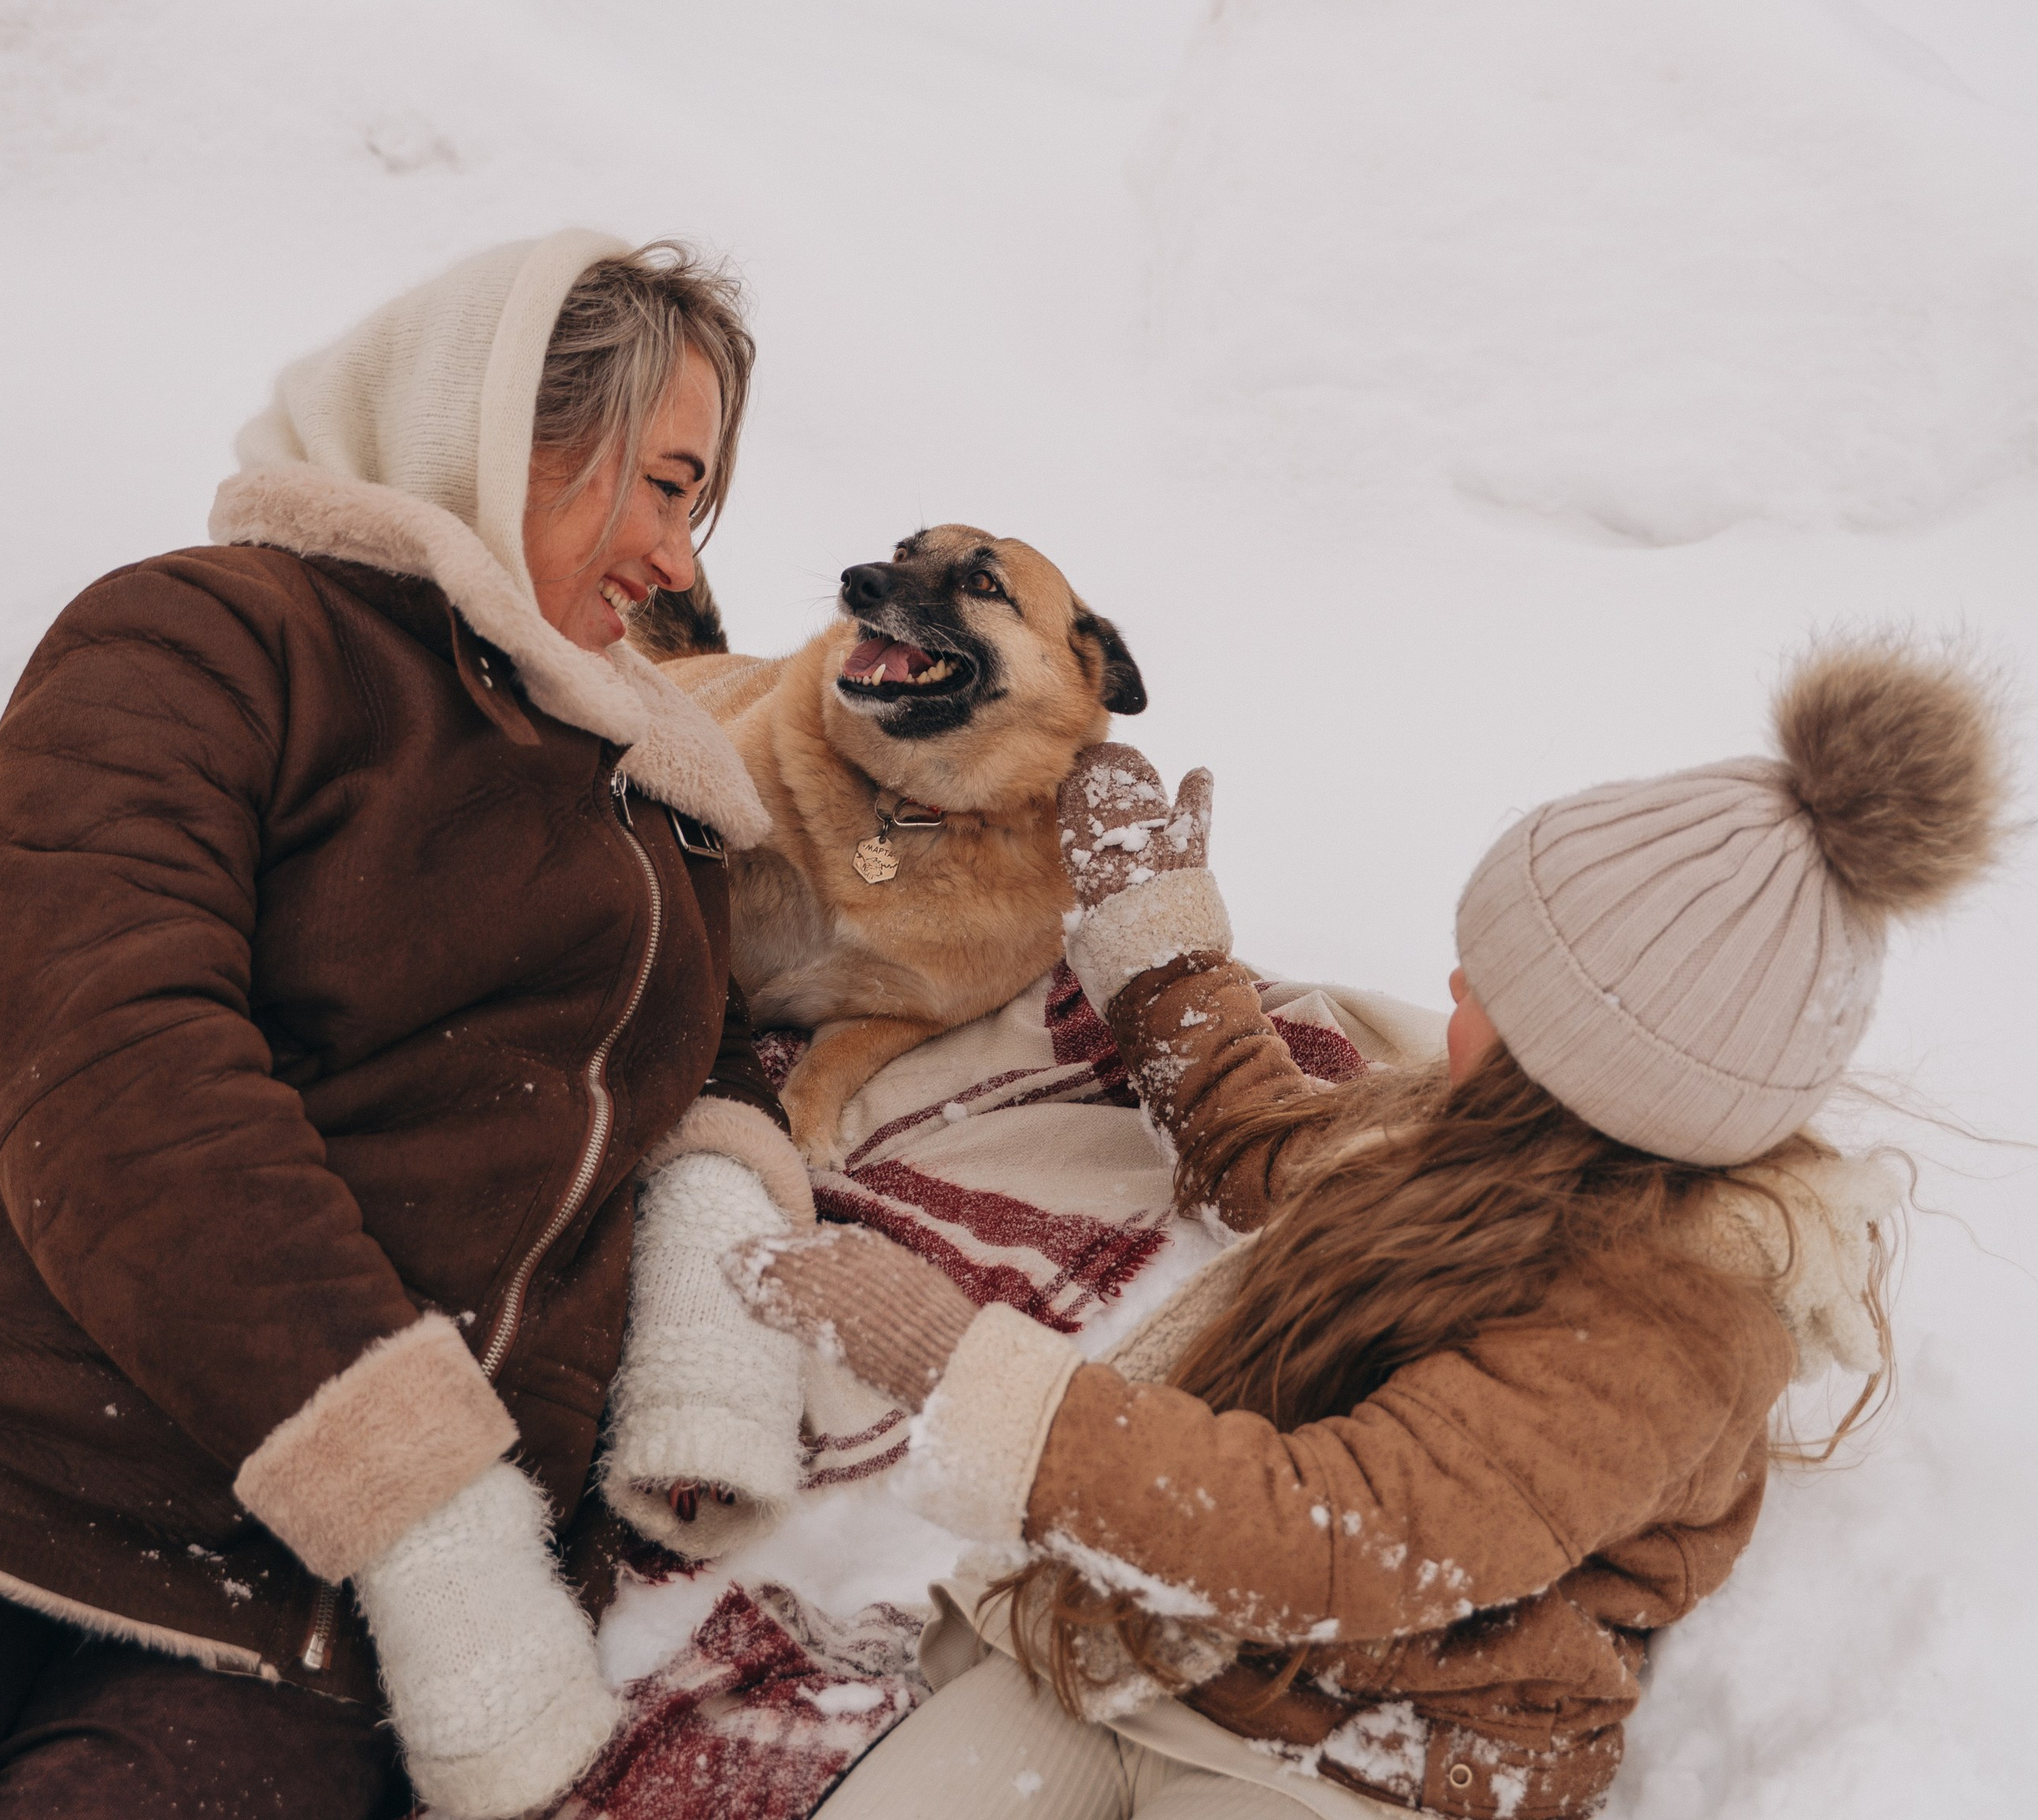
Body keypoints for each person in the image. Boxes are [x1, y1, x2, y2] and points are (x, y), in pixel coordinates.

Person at [735, 643, 2005, 1819]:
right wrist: (1155, 944)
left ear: (1593, 1079)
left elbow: (1331, 1537)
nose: (1448, 988)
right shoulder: (1470, 1156)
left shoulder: (1655, 1338)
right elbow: (1264, 1145)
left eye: (1491, 994)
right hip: (1152, 1640)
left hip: (1368, 1747)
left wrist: (970, 1376)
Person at [0, 231, 816, 1820]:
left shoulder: (650, 804)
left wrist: (711, 1307)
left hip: (300, 1633)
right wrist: (422, 1505)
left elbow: (698, 1074)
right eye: (665, 484)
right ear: (495, 428)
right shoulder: (211, 639)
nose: (680, 559)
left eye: (698, 503)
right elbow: (121, 1060)